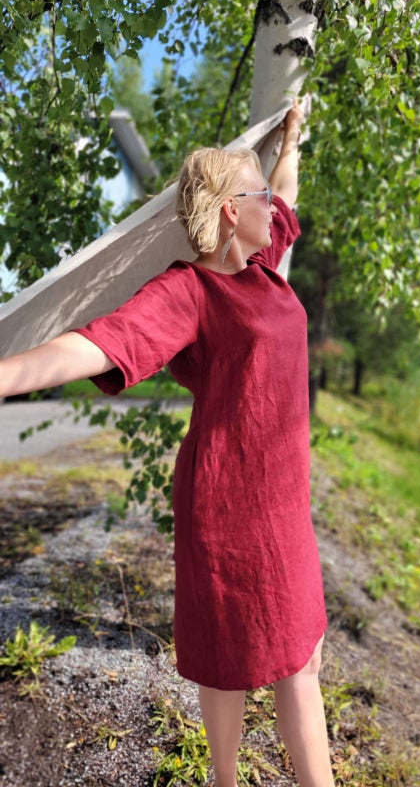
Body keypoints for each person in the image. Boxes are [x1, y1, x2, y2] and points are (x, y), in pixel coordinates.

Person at [0, 99, 335, 787]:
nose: (274, 206)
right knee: (227, 659)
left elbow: (288, 188)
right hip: (228, 506)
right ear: (229, 210)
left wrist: (292, 135)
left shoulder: (264, 267)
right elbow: (99, 344)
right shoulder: (189, 292)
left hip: (284, 502)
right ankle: (223, 779)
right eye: (259, 196)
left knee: (305, 656)